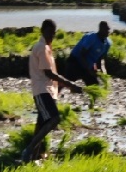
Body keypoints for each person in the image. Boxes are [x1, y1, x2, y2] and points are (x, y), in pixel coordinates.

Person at [21, 19, 83, 163]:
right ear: (42, 31)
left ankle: (33, 155)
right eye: (49, 32)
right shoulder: (41, 47)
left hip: (47, 90)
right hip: (42, 90)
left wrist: (60, 87)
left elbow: (50, 75)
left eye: (53, 33)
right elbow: (49, 73)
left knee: (41, 124)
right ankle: (29, 149)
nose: (51, 35)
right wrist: (70, 84)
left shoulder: (46, 48)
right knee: (54, 118)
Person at [64, 21, 112, 86]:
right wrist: (89, 70)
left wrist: (103, 73)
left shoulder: (107, 44)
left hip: (88, 65)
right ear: (101, 29)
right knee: (66, 82)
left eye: (109, 29)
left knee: (95, 86)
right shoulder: (91, 37)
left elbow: (101, 59)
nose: (108, 31)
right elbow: (82, 54)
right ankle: (54, 94)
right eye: (106, 29)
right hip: (75, 61)